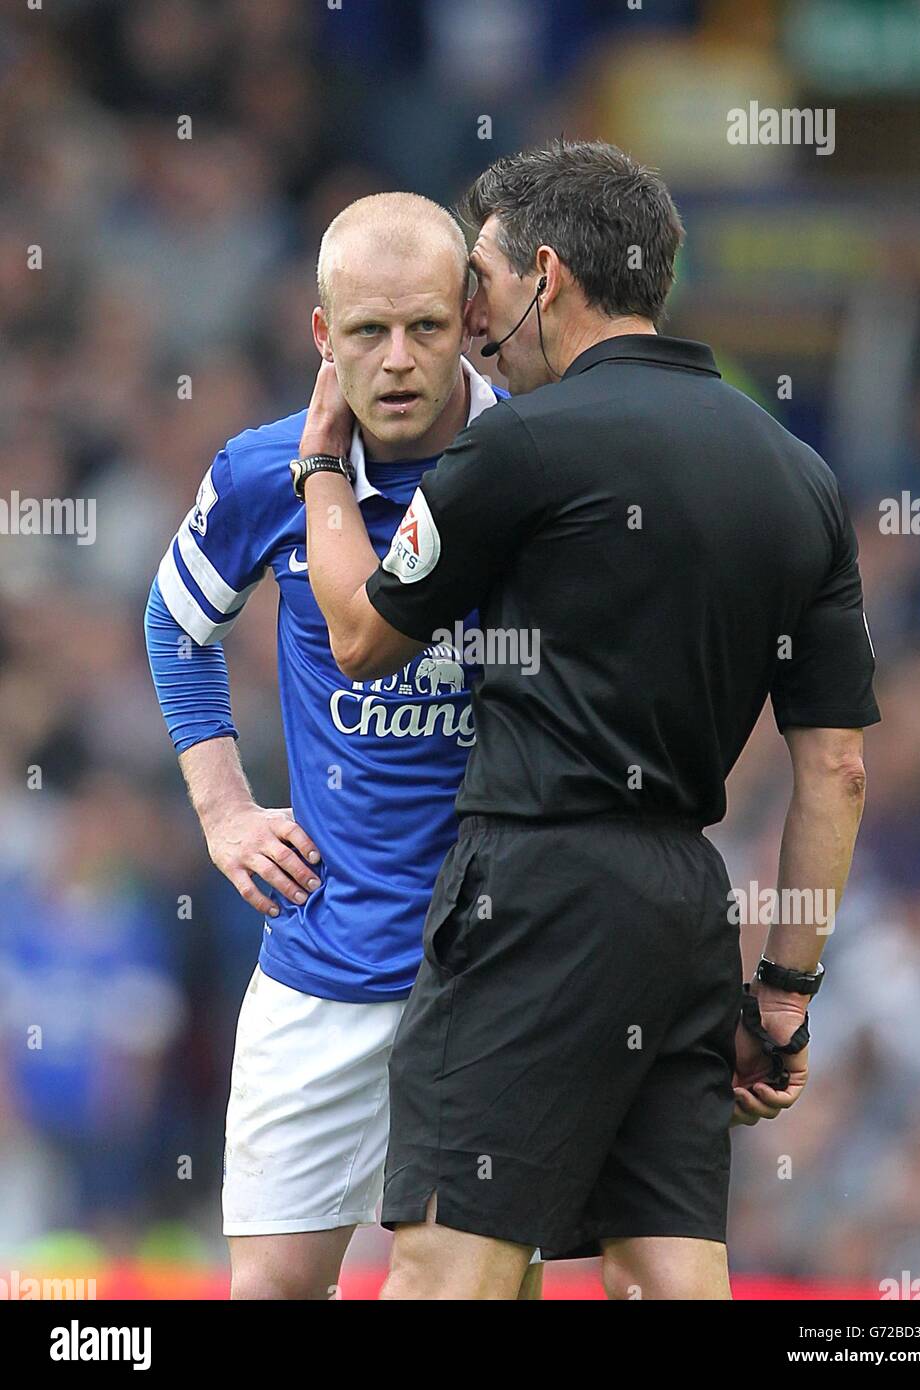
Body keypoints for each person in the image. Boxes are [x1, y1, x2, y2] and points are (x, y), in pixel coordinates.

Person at [301, 139, 881, 1300]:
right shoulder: (799, 474)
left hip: (534, 890)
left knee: (442, 1265)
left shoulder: (522, 442)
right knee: (669, 1271)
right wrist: (781, 995)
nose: (471, 321)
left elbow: (365, 635)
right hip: (683, 908)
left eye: (483, 283)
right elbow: (841, 773)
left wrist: (322, 466)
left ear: (544, 276)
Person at [144, 191, 543, 1299]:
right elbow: (175, 623)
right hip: (327, 955)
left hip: (502, 965)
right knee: (270, 1284)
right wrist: (224, 807)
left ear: (472, 314)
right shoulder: (264, 471)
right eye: (368, 331)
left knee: (482, 1286)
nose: (400, 359)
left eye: (425, 325)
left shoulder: (547, 461)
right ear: (323, 334)